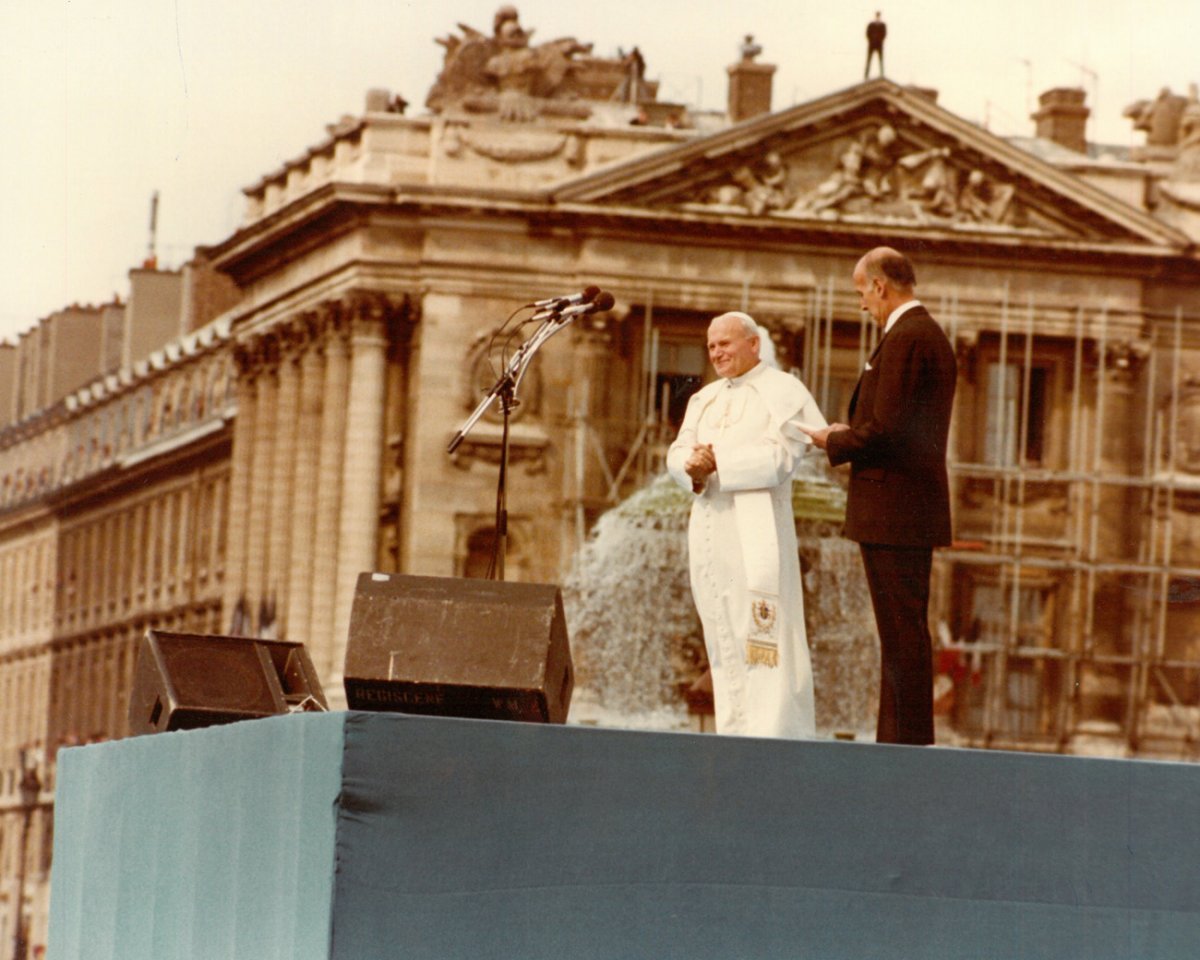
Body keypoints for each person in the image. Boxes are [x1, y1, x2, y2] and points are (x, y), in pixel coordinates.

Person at [803, 248, 956, 745]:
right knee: (899, 631)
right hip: (901, 507)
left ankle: (904, 743)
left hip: (896, 508)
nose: (862, 304)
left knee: (901, 631)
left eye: (861, 293)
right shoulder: (918, 335)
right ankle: (898, 739)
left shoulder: (909, 337)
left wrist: (834, 439)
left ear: (880, 287)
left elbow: (887, 428)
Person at [667, 312, 827, 738]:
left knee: (764, 637)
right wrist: (691, 466)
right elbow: (678, 449)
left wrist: (720, 463)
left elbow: (783, 458)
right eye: (711, 346)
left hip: (757, 529)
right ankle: (733, 733)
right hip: (710, 527)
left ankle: (774, 738)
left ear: (754, 344)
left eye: (726, 343)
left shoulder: (785, 390)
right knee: (721, 632)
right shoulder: (705, 398)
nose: (717, 352)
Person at [865, 12, 887, 80]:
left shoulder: (883, 25)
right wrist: (871, 39)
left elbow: (884, 34)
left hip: (879, 44)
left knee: (880, 59)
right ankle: (866, 74)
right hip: (872, 44)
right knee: (869, 59)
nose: (877, 17)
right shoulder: (871, 25)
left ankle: (882, 74)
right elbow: (867, 33)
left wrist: (880, 39)